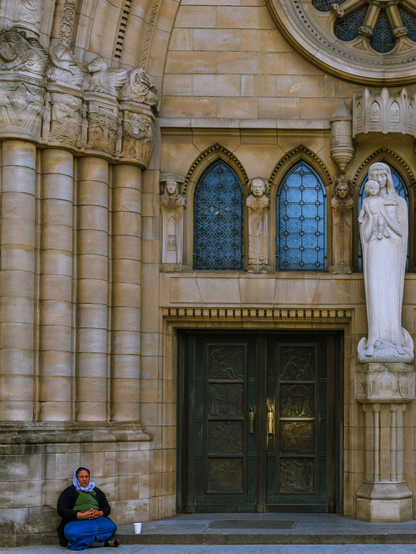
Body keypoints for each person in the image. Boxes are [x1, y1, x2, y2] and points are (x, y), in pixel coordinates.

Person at [57, 466, 119, 550]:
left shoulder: (97, 491)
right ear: (76, 478)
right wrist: (81, 515)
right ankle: (103, 543)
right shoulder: (69, 492)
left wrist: (99, 513)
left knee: (112, 527)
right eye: (81, 477)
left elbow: (107, 508)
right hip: (77, 522)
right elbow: (61, 510)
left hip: (97, 520)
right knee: (72, 532)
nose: (84, 479)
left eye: (86, 477)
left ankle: (81, 542)